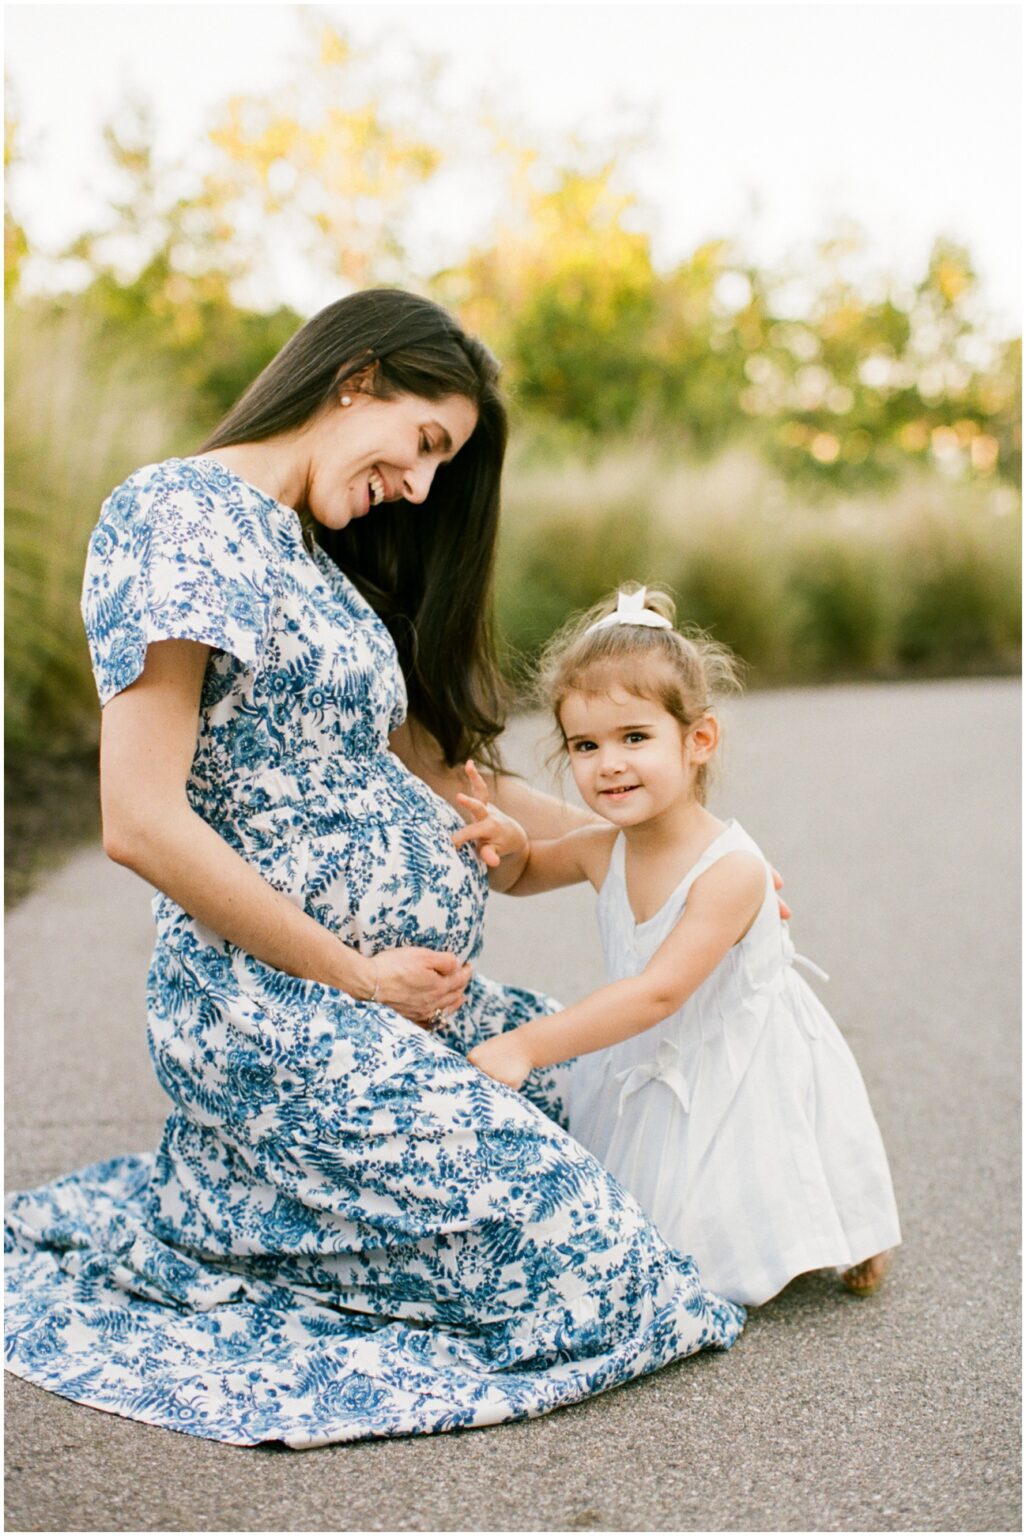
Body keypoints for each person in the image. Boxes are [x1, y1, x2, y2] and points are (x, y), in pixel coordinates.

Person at [4, 293, 744, 1449]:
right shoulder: (179, 517)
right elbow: (139, 822)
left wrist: (697, 856)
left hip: (395, 1009)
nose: (423, 485)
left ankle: (237, 1203)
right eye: (427, 443)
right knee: (597, 1274)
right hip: (273, 1009)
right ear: (358, 378)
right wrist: (357, 975)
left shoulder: (322, 573)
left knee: (621, 1122)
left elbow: (467, 790)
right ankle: (242, 1208)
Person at [457, 584, 902, 1308]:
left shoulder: (731, 871)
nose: (609, 764)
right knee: (667, 1202)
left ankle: (858, 1234)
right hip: (652, 1051)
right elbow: (525, 873)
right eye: (585, 745)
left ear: (698, 741)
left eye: (635, 738)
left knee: (770, 1160)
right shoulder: (604, 845)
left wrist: (528, 1046)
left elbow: (659, 992)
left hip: (735, 1046)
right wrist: (507, 843)